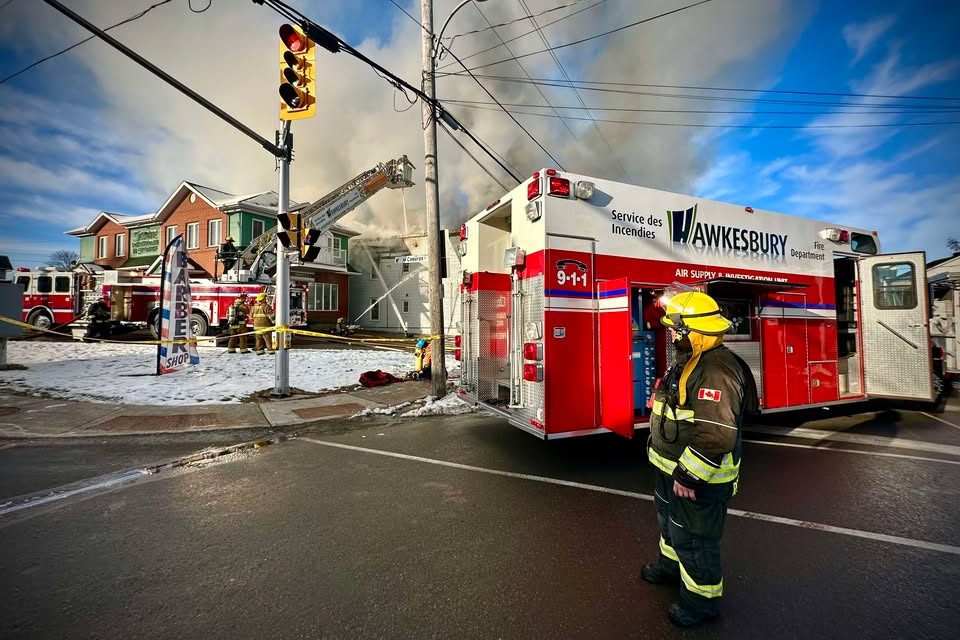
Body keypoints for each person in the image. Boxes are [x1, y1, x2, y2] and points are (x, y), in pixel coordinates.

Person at [642, 289, 758, 627]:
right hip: (670, 468)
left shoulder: (716, 370)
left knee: (695, 538)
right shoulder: (690, 360)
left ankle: (701, 602)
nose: (671, 334)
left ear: (692, 331)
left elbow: (716, 434)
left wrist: (689, 476)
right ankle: (669, 568)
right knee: (670, 524)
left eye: (675, 329)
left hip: (695, 479)